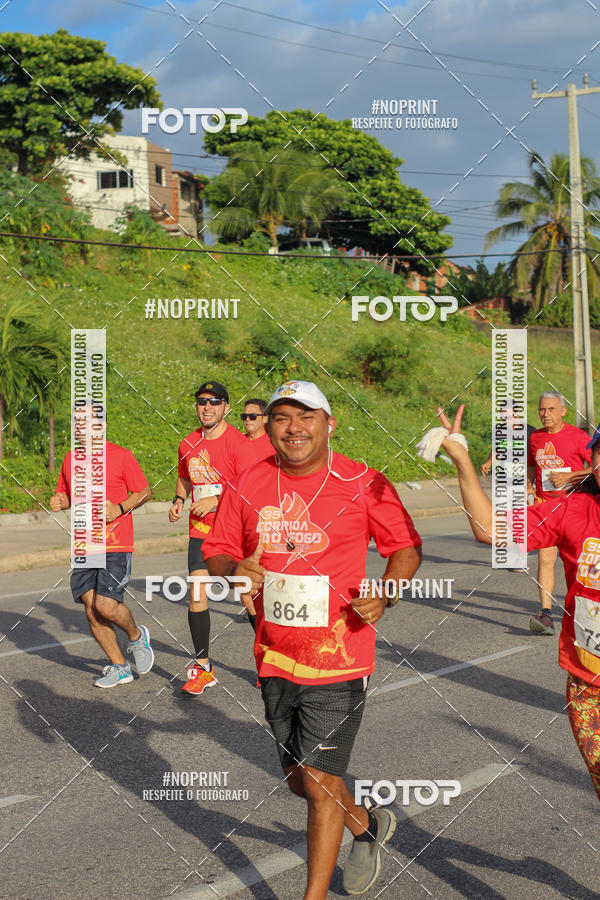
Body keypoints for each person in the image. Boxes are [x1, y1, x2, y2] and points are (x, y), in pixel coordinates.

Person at [202, 380, 423, 899]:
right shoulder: (248, 481)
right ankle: (365, 823)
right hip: (275, 654)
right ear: (270, 426)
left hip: (340, 655)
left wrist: (387, 592)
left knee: (321, 784)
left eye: (306, 417)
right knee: (301, 781)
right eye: (281, 418)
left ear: (329, 424)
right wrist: (235, 569)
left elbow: (406, 547)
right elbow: (218, 548)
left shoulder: (363, 481)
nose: (293, 428)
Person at [437, 403, 600, 802]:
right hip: (589, 684)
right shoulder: (572, 509)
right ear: (593, 461)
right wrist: (461, 458)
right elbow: (491, 531)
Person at [49, 408, 154, 688]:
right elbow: (69, 495)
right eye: (77, 422)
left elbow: (144, 491)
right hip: (86, 544)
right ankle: (120, 667)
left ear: (102, 425)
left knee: (106, 605)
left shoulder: (121, 455)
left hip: (117, 542)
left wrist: (120, 507)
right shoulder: (71, 459)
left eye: (87, 421)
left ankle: (136, 636)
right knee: (90, 609)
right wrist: (62, 501)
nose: (81, 427)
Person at [169, 380, 251, 695]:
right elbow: (184, 476)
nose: (207, 407)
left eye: (214, 402)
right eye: (202, 401)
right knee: (197, 594)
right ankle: (204, 668)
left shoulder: (238, 444)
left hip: (233, 530)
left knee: (247, 596)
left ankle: (268, 661)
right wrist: (179, 500)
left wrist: (215, 500)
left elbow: (247, 489)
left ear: (226, 408)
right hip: (200, 531)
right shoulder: (188, 443)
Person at [527, 392, 591, 635]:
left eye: (551, 409)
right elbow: (532, 463)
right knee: (545, 561)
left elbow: (594, 468)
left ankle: (585, 610)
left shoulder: (578, 437)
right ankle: (546, 615)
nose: (546, 414)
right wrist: (530, 485)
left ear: (563, 411)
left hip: (575, 510)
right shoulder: (536, 438)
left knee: (577, 564)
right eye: (542, 410)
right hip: (546, 509)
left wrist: (569, 476)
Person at [241, 398, 273, 464]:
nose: (247, 419)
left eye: (252, 416)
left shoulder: (275, 445)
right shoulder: (236, 442)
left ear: (265, 418)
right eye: (244, 416)